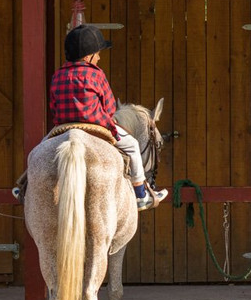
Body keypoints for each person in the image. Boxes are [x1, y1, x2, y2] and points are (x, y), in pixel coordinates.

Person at [46, 24, 168, 211]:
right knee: (133, 146)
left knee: (37, 152)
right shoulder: (95, 74)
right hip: (95, 126)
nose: (100, 57)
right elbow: (110, 107)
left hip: (64, 127)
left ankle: (23, 185)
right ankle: (141, 194)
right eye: (98, 53)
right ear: (88, 57)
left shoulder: (57, 75)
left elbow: (53, 105)